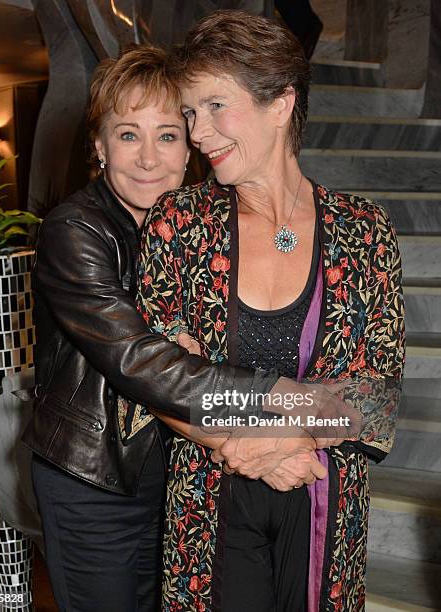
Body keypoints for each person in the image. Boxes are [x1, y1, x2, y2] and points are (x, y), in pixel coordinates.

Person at [22, 46, 328, 612]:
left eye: (167, 136)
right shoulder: (76, 230)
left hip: (177, 476)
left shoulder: (197, 227)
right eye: (127, 134)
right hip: (93, 478)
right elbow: (139, 358)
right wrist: (270, 403)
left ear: (190, 149)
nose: (147, 158)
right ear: (98, 146)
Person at [134, 12, 404, 612]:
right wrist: (253, 441)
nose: (197, 132)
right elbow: (162, 376)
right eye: (190, 113)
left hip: (324, 495)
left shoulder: (364, 231)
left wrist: (274, 435)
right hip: (208, 501)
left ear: (281, 103)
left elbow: (375, 400)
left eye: (213, 106)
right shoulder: (179, 223)